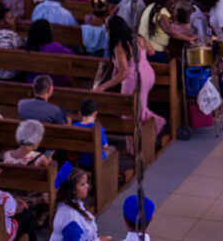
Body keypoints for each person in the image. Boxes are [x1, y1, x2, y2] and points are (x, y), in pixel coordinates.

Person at [94, 16, 167, 148]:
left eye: (106, 26)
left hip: (134, 78)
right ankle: (144, 141)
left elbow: (123, 73)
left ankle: (137, 144)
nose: (105, 29)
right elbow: (152, 52)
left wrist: (103, 87)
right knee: (140, 108)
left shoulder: (119, 45)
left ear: (112, 30)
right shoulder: (138, 38)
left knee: (128, 112)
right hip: (148, 74)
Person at [51, 164, 111, 241]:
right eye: (82, 184)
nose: (87, 186)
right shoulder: (71, 220)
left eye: (86, 182)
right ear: (72, 190)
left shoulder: (70, 201)